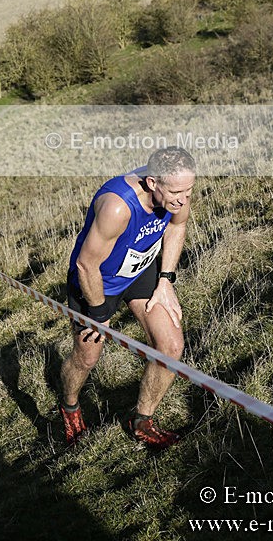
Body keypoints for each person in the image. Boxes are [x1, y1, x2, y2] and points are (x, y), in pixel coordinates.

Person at [60, 146, 196, 449]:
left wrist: (166, 280)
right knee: (87, 356)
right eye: (176, 192)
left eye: (189, 191)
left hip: (140, 270)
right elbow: (86, 265)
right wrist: (97, 314)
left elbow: (178, 225)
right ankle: (69, 407)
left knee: (170, 345)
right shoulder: (118, 207)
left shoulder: (177, 193)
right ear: (152, 184)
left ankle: (142, 421)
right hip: (98, 281)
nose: (183, 199)